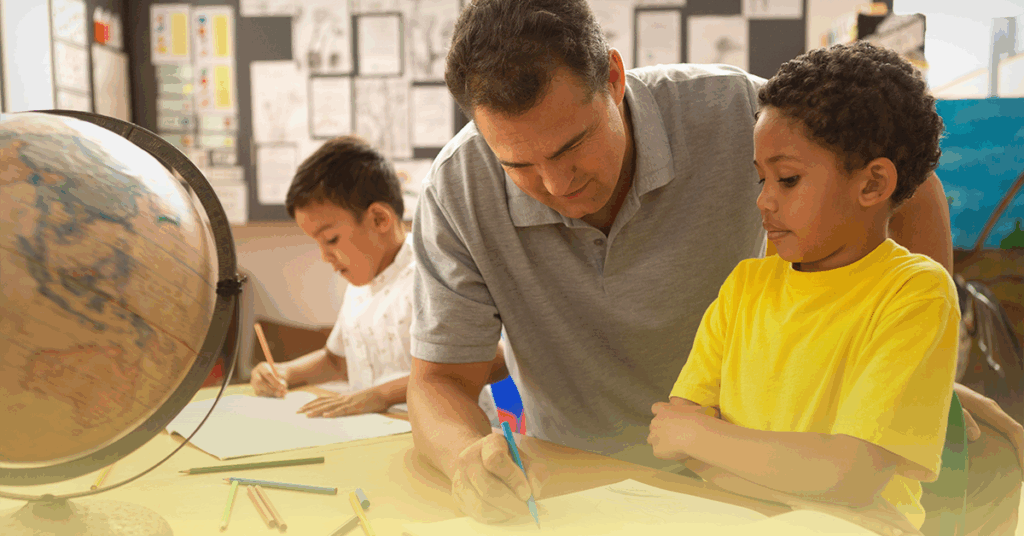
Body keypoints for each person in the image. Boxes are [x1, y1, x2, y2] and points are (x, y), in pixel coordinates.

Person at [407, 0, 1023, 526]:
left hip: (774, 485)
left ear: (615, 80)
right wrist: (465, 458)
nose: (556, 180)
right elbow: (439, 381)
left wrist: (912, 351)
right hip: (577, 483)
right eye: (517, 164)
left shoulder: (738, 111)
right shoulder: (458, 188)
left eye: (573, 144)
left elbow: (905, 179)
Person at [647, 41, 955, 531]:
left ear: (873, 185)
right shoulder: (746, 283)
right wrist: (816, 481)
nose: (764, 202)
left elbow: (852, 472)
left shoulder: (915, 291)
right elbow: (670, 436)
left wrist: (704, 437)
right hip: (737, 518)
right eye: (760, 180)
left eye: (787, 179)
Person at [249, 136, 502, 422]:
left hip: (448, 430)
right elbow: (337, 361)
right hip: (376, 432)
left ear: (380, 219)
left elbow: (490, 361)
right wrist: (285, 371)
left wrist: (379, 395)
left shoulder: (434, 274)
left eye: (331, 239)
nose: (324, 256)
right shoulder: (360, 287)